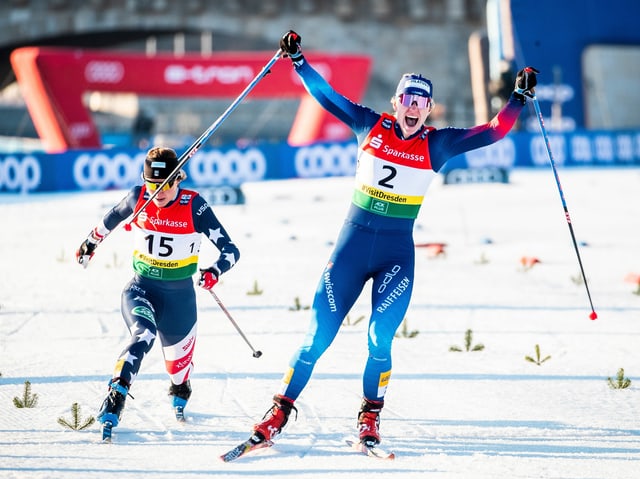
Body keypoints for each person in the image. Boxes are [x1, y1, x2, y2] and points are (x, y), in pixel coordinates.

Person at [241, 30, 538, 450]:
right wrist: (299, 60)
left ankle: (369, 416)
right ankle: (279, 411)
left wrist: (517, 99)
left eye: (421, 100)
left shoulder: (439, 143)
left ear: (428, 108)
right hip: (352, 248)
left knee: (380, 338)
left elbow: (493, 131)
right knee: (315, 338)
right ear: (396, 102)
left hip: (396, 254)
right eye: (407, 98)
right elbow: (327, 97)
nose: (413, 106)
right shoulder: (368, 124)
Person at [76, 146, 240, 436]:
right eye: (152, 184)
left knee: (177, 370)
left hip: (180, 300)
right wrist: (90, 243)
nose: (158, 191)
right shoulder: (138, 197)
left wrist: (215, 271)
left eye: (165, 184)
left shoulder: (194, 206)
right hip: (141, 289)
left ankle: (180, 384)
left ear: (178, 180)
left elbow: (231, 249)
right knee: (143, 336)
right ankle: (116, 396)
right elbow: (111, 218)